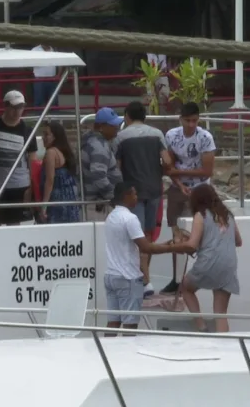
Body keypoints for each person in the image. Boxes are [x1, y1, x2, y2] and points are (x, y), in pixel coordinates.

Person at [104, 182, 179, 335]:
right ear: (126, 196)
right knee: (130, 326)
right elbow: (146, 248)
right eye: (134, 194)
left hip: (111, 276)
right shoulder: (130, 218)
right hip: (128, 277)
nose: (137, 198)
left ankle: (105, 354)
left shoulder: (111, 217)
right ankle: (128, 357)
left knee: (113, 322)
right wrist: (173, 248)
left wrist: (163, 245)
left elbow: (141, 245)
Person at [116, 101, 172, 295]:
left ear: (127, 116)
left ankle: (144, 280)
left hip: (134, 193)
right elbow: (167, 161)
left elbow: (117, 167)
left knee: (136, 236)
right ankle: (144, 277)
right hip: (155, 190)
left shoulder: (121, 137)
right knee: (147, 234)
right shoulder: (157, 134)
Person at [170, 184, 242, 333]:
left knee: (186, 287)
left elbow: (192, 245)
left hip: (208, 262)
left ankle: (200, 325)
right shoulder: (227, 215)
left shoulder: (200, 215)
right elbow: (239, 241)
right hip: (228, 265)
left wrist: (175, 245)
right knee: (220, 313)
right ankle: (225, 345)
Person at [161, 101, 216, 294]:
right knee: (177, 235)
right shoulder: (171, 136)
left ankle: (200, 276)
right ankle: (177, 279)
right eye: (188, 120)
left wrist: (180, 173)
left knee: (201, 235)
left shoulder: (205, 137)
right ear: (181, 119)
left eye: (195, 120)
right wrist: (180, 184)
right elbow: (169, 166)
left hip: (201, 189)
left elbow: (208, 170)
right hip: (179, 188)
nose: (192, 124)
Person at [0, 91, 37, 226]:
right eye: (14, 107)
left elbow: (33, 162)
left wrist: (32, 187)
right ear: (6, 106)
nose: (17, 111)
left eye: (21, 107)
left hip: (20, 186)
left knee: (15, 224)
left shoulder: (27, 130)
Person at [81, 107, 123, 222]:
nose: (117, 128)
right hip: (97, 206)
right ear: (101, 127)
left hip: (95, 204)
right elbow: (98, 175)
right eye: (113, 125)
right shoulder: (99, 146)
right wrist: (113, 197)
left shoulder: (92, 141)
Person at [39, 122, 80, 224]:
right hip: (69, 200)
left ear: (55, 137)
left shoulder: (51, 153)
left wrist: (44, 206)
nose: (43, 137)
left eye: (46, 134)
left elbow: (50, 181)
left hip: (56, 201)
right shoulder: (64, 153)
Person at [31, 44, 60, 108]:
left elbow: (60, 62)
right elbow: (30, 63)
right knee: (39, 102)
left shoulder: (54, 50)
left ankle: (55, 117)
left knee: (53, 102)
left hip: (52, 79)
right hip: (39, 79)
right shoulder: (34, 50)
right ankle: (39, 117)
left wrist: (58, 75)